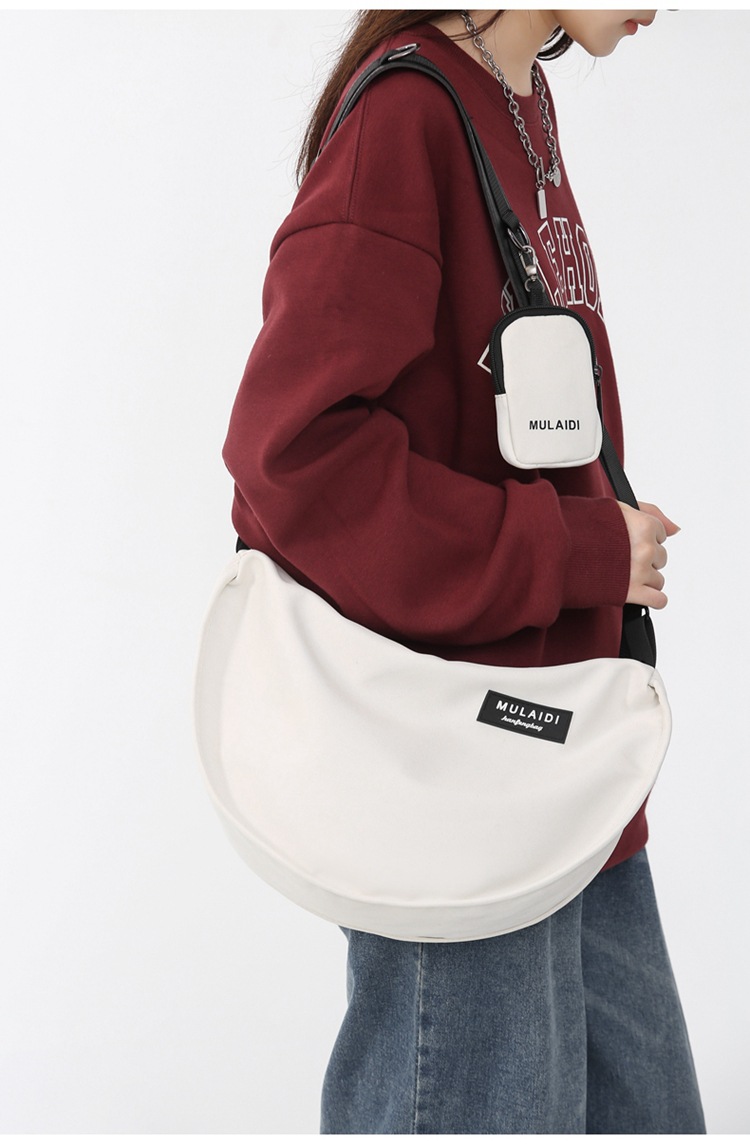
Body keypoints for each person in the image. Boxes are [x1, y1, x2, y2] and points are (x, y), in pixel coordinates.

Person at [222, 9, 706, 1134]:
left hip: (564, 767)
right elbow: (295, 460)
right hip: (460, 785)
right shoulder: (407, 117)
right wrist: (578, 550)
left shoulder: (516, 98)